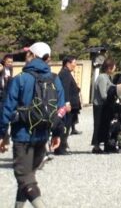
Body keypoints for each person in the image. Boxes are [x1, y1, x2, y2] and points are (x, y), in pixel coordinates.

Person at [0, 41, 67, 208]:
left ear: (31, 56)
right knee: (27, 177)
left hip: (23, 135)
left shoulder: (20, 79)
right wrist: (57, 133)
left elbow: (7, 109)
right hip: (43, 135)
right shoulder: (54, 79)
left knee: (24, 178)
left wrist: (2, 135)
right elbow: (61, 109)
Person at [54, 55, 81, 154]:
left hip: (72, 104)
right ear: (68, 63)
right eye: (74, 63)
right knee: (65, 126)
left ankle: (63, 145)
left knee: (68, 126)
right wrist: (67, 102)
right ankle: (60, 147)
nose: (75, 65)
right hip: (68, 104)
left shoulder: (67, 73)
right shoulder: (65, 73)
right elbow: (64, 89)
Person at [90, 59, 116, 154]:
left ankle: (104, 143)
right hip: (100, 105)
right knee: (98, 125)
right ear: (109, 68)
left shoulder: (107, 77)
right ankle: (96, 146)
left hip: (105, 105)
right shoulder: (102, 77)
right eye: (114, 67)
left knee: (104, 125)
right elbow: (103, 94)